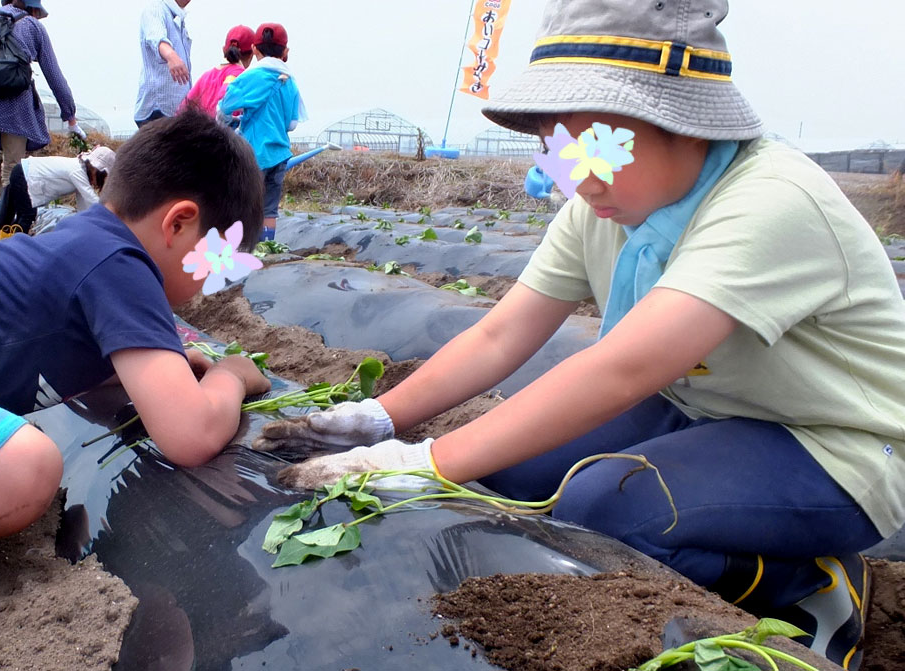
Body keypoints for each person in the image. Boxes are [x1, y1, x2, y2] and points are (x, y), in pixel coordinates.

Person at [253, 2, 905, 669]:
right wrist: (380, 418)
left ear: (680, 119)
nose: (580, 173)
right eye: (559, 145)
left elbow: (622, 369)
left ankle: (814, 588)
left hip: (834, 446)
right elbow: (502, 333)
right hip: (707, 408)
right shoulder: (600, 206)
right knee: (501, 468)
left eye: (596, 142)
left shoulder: (768, 200)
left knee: (609, 505)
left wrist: (419, 464)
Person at [0, 111, 267, 600]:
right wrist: (232, 375)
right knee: (23, 470)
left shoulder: (88, 243)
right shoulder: (122, 264)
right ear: (179, 223)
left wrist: (166, 368)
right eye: (215, 264)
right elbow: (192, 434)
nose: (208, 287)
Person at [0, 0, 82, 236]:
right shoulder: (34, 27)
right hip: (15, 105)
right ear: (33, 8)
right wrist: (70, 115)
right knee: (12, 171)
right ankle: (6, 228)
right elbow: (54, 75)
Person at [219, 22, 305, 241]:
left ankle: (240, 249)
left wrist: (237, 119)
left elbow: (225, 106)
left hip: (254, 155)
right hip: (280, 154)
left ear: (255, 49)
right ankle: (267, 248)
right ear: (285, 52)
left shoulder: (251, 77)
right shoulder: (290, 81)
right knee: (269, 209)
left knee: (244, 204)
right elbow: (292, 124)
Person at [0, 145, 116, 239]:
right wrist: (113, 220)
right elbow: (92, 200)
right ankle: (15, 247)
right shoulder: (77, 171)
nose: (96, 184)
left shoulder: (80, 172)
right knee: (27, 215)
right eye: (100, 178)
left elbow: (84, 206)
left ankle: (6, 239)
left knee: (16, 213)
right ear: (95, 168)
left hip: (23, 172)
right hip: (24, 175)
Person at [135, 0, 194, 128]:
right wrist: (171, 55)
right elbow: (156, 37)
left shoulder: (177, 18)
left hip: (175, 110)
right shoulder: (155, 8)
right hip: (159, 109)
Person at [181, 25, 254, 117]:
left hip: (203, 128)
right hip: (223, 129)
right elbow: (224, 98)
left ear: (224, 50)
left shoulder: (206, 76)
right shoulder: (240, 74)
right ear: (252, 53)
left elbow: (184, 106)